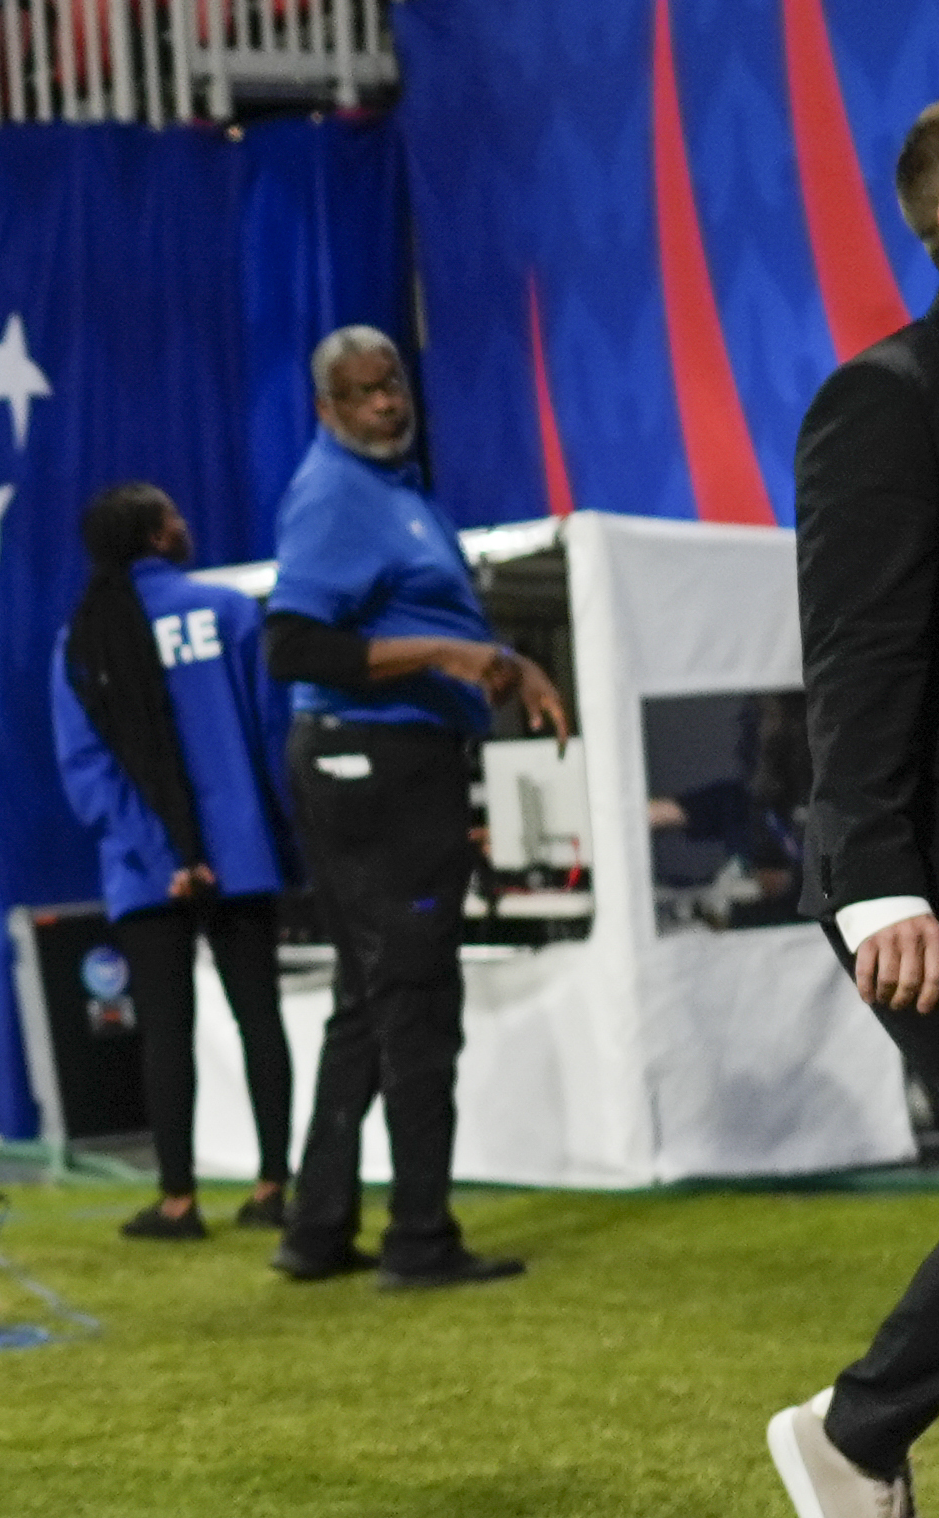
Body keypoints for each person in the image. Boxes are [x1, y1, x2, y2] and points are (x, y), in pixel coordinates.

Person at [766, 90, 939, 1518]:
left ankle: (863, 1428)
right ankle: (854, 1432)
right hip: (935, 873)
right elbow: (862, 656)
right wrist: (879, 875)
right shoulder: (888, 398)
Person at [260, 325, 567, 1290]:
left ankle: (316, 1230)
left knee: (370, 998)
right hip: (374, 766)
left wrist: (505, 663)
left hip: (393, 760)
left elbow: (421, 620)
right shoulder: (331, 494)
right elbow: (293, 647)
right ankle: (421, 1239)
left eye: (391, 384)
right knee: (417, 998)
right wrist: (448, 656)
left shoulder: (394, 491)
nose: (385, 404)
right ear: (326, 410)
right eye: (360, 393)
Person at [51, 483, 297, 1240]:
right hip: (241, 857)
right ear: (158, 535)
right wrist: (254, 842)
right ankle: (271, 1190)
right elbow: (271, 735)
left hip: (143, 868)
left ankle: (178, 1201)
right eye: (176, 515)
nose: (187, 522)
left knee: (165, 1030)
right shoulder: (227, 613)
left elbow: (85, 769)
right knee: (260, 1017)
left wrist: (165, 855)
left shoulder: (79, 639)